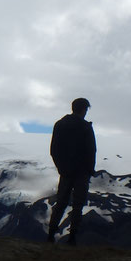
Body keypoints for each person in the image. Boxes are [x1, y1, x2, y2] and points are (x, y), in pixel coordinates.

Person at [48, 97, 97, 246]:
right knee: (78, 204)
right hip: (82, 172)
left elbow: (54, 150)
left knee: (61, 202)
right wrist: (90, 170)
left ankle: (50, 235)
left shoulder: (60, 125)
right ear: (84, 109)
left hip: (65, 171)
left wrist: (61, 167)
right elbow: (91, 150)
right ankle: (72, 238)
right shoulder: (86, 127)